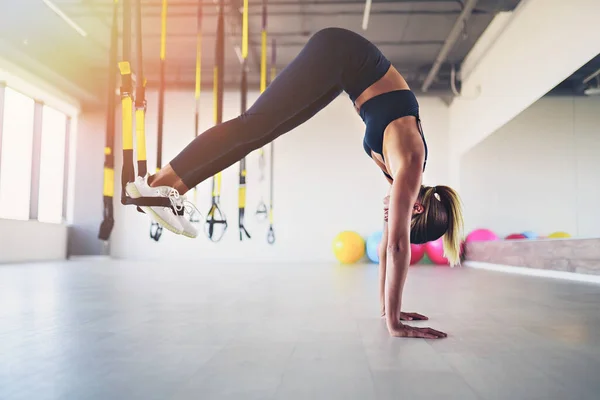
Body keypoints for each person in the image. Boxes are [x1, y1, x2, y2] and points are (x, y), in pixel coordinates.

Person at [125, 27, 464, 339]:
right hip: (340, 51)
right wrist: (395, 325)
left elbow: (386, 246)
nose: (390, 221)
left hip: (342, 71)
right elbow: (397, 248)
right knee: (251, 125)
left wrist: (387, 311)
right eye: (403, 220)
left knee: (261, 133)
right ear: (416, 207)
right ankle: (158, 182)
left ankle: (170, 191)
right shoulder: (410, 161)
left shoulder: (398, 179)